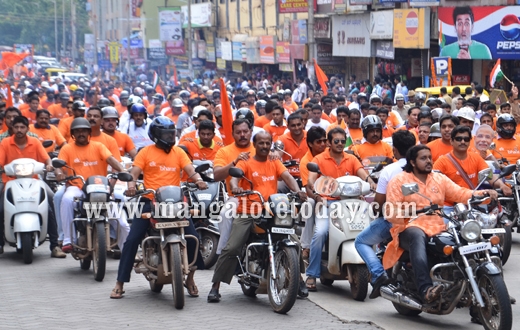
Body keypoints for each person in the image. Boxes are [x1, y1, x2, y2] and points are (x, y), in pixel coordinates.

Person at [383, 145, 497, 303]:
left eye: (430, 157)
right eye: (423, 158)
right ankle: (426, 289)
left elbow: (460, 193)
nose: (429, 161)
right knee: (417, 236)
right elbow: (390, 211)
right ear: (413, 162)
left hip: (438, 226)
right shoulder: (399, 181)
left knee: (465, 239)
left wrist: (483, 194)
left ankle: (476, 294)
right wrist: (411, 212)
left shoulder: (438, 178)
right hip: (408, 227)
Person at [110, 116, 207, 299]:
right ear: (156, 135)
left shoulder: (179, 152)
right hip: (150, 201)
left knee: (193, 238)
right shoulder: (145, 152)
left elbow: (191, 171)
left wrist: (199, 181)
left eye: (172, 133)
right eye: (166, 134)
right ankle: (120, 283)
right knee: (132, 240)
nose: (170, 137)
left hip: (175, 203)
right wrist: (131, 187)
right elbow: (134, 173)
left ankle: (190, 278)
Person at [207, 131, 306, 302]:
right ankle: (215, 286)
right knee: (232, 246)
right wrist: (236, 187)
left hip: (270, 210)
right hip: (247, 211)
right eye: (261, 143)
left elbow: (287, 176)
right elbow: (233, 179)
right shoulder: (247, 161)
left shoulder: (274, 161)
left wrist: (298, 191)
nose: (265, 147)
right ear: (255, 144)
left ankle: (298, 279)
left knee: (293, 241)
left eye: (268, 143)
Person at [304, 127, 376, 291]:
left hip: (351, 204)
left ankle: (374, 268)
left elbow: (361, 173)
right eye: (336, 141)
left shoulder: (351, 158)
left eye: (343, 141)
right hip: (328, 203)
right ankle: (312, 274)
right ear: (329, 142)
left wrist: (370, 181)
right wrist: (316, 190)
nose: (340, 144)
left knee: (371, 229)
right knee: (320, 232)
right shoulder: (319, 159)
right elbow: (310, 180)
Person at [355, 130, 416, 299]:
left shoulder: (389, 171)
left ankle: (378, 274)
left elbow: (378, 203)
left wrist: (374, 210)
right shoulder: (422, 169)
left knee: (361, 241)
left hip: (394, 221)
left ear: (395, 150)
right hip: (422, 220)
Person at [56, 118, 125, 253]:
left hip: (99, 187)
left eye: (84, 130)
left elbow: (111, 159)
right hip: (77, 186)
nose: (81, 133)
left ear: (89, 132)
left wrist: (123, 171)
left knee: (122, 210)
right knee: (66, 199)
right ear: (73, 134)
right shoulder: (67, 148)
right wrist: (59, 173)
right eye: (77, 131)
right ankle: (68, 239)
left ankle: (120, 243)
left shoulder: (99, 146)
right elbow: (59, 165)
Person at [0, 116, 65, 257]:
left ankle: (55, 245)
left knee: (50, 203)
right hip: (9, 181)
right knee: (0, 208)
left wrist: (49, 165)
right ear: (12, 128)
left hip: (34, 181)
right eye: (16, 127)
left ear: (27, 129)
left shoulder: (35, 142)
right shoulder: (5, 142)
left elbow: (45, 157)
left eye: (22, 127)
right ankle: (0, 244)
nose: (19, 130)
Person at [434, 125, 512, 210]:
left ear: (470, 141)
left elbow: (490, 176)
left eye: (466, 139)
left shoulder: (476, 158)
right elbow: (433, 185)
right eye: (459, 139)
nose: (463, 142)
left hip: (473, 203)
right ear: (451, 141)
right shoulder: (441, 162)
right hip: (449, 206)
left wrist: (502, 185)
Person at [299, 127, 327, 260]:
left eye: (324, 141)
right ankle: (306, 246)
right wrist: (318, 197)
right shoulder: (306, 161)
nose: (323, 144)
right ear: (310, 143)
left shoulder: (330, 153)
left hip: (335, 193)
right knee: (309, 204)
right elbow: (308, 188)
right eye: (318, 141)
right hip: (315, 195)